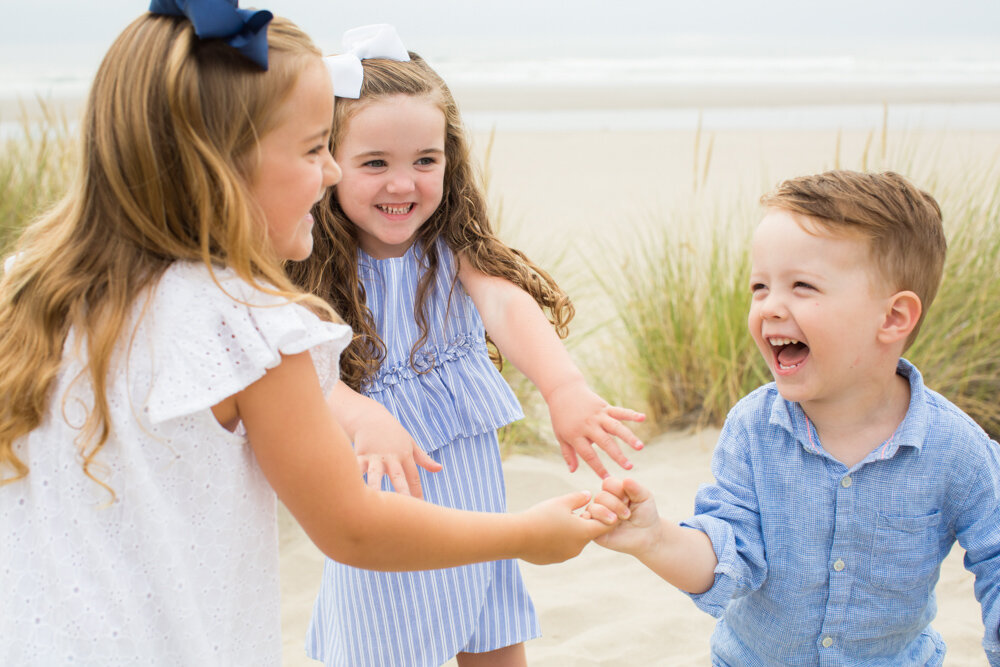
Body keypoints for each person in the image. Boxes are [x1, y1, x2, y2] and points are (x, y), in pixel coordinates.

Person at [0, 6, 610, 665]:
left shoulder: (30, 291)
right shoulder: (250, 325)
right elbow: (351, 525)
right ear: (221, 164)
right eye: (316, 148)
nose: (330, 174)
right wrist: (527, 533)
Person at [287, 24, 645, 667]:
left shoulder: (454, 251)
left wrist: (563, 388)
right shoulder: (308, 264)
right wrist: (360, 413)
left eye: (425, 160)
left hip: (472, 487)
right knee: (384, 628)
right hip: (384, 480)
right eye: (376, 164)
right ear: (329, 164)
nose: (404, 184)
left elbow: (509, 307)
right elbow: (299, 366)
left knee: (489, 615)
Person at [587, 170, 1000, 666]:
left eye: (802, 286)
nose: (770, 307)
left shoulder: (955, 447)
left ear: (892, 318)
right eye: (760, 287)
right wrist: (656, 540)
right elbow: (728, 554)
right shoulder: (753, 429)